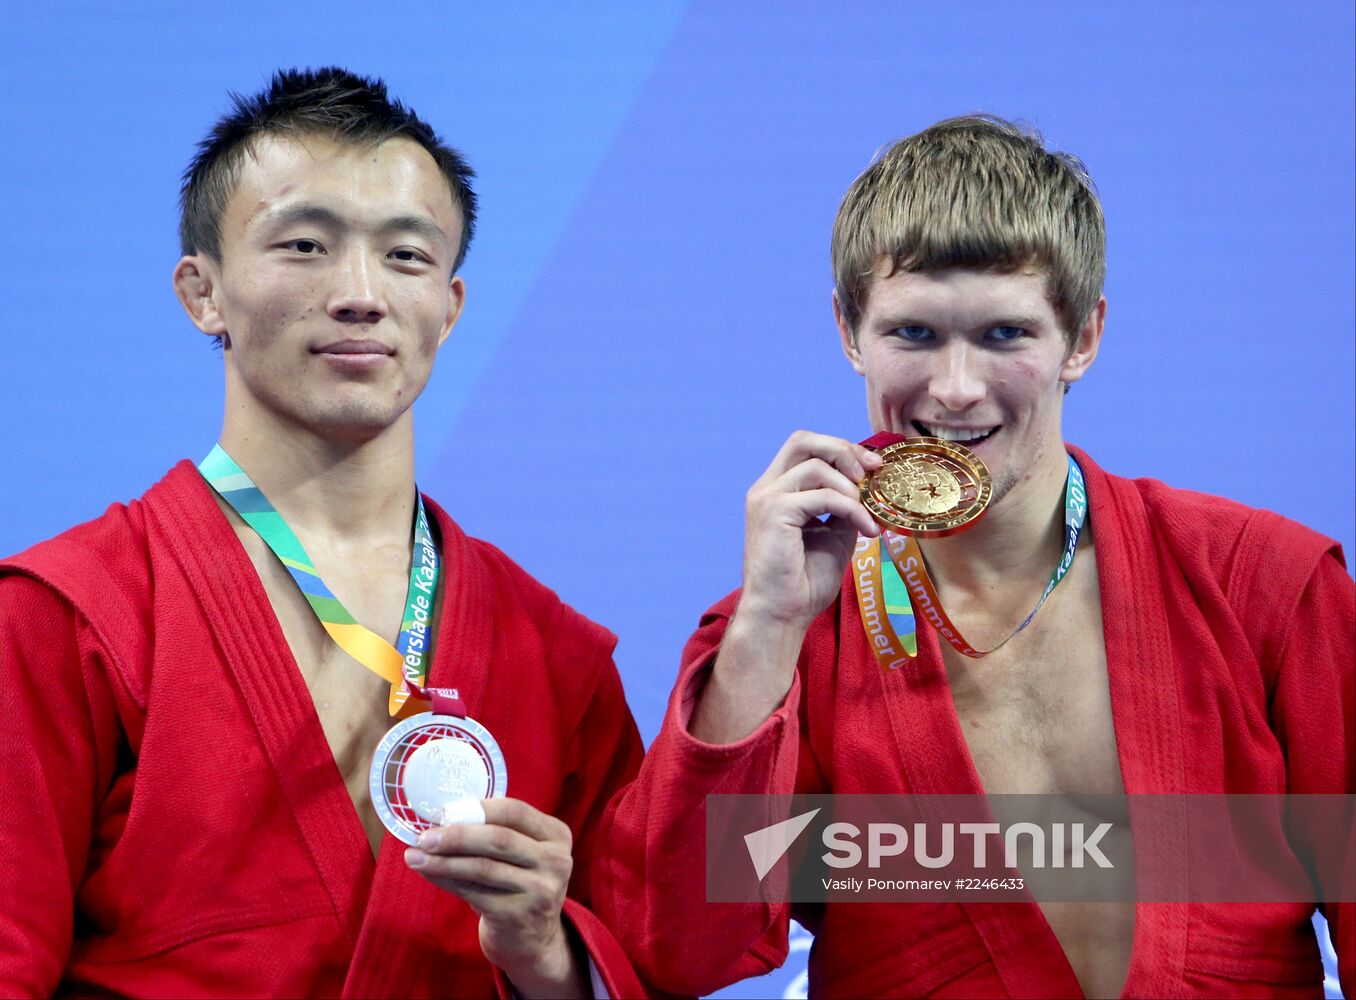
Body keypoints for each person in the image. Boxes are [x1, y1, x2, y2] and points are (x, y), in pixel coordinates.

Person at [593, 116, 1354, 997]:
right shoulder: (796, 636)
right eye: (913, 334)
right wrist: (767, 628)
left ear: (1084, 337)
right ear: (848, 331)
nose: (956, 388)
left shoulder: (1264, 586)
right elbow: (674, 948)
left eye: (1004, 335)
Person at [0, 67, 643, 998]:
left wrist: (550, 961)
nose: (359, 294)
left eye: (406, 257)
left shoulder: (556, 657)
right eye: (305, 245)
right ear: (202, 293)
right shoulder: (62, 618)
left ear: (450, 309)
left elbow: (662, 953)